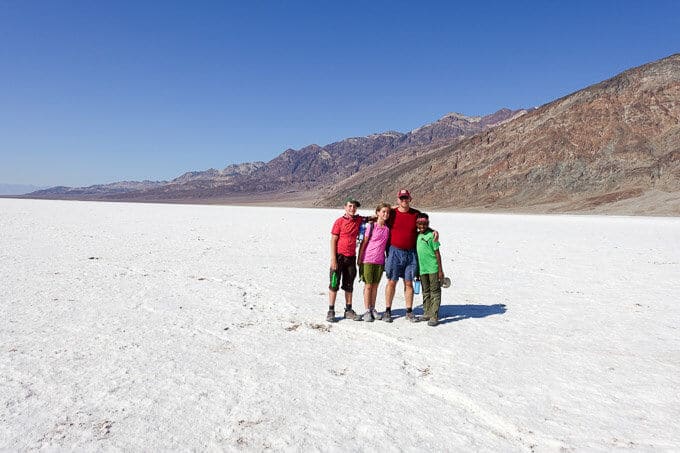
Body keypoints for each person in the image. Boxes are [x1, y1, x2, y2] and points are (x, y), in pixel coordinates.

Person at [383, 189, 423, 323]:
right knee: (391, 281)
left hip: (410, 253)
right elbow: (378, 217)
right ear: (398, 200)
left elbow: (424, 227)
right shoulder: (391, 213)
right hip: (394, 252)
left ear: (410, 199)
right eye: (401, 198)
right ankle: (388, 310)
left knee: (409, 283)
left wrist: (433, 232)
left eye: (406, 198)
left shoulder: (416, 214)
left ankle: (409, 311)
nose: (404, 200)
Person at [327, 198, 365, 322]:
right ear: (345, 207)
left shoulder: (359, 220)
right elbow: (333, 240)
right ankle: (331, 310)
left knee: (349, 284)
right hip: (338, 257)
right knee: (334, 283)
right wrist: (333, 259)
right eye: (350, 206)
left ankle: (348, 310)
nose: (352, 209)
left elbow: (376, 215)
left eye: (354, 207)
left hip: (351, 258)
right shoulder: (339, 222)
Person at [354, 202, 392, 322]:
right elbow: (364, 242)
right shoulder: (371, 226)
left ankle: (372, 308)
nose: (385, 214)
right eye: (383, 212)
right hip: (368, 259)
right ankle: (366, 310)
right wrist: (359, 258)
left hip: (380, 261)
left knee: (375, 286)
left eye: (387, 212)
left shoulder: (387, 229)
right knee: (368, 285)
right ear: (377, 213)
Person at [415, 213, 444, 326]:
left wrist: (440, 271)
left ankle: (434, 315)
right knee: (426, 291)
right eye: (419, 224)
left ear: (428, 224)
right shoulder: (417, 236)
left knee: (435, 291)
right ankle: (427, 312)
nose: (422, 226)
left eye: (424, 224)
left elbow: (437, 254)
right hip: (422, 269)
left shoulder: (432, 236)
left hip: (433, 268)